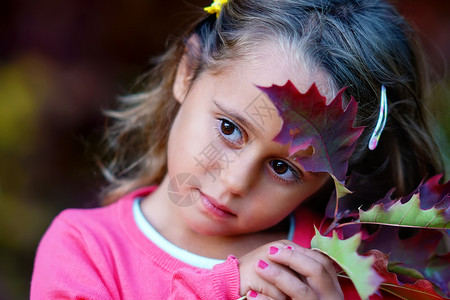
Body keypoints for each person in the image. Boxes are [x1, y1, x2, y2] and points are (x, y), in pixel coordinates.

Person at [31, 0, 445, 299]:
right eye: (230, 128)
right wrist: (223, 289)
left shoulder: (338, 268)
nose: (233, 181)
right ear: (188, 71)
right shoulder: (84, 249)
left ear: (338, 175)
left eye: (284, 168)